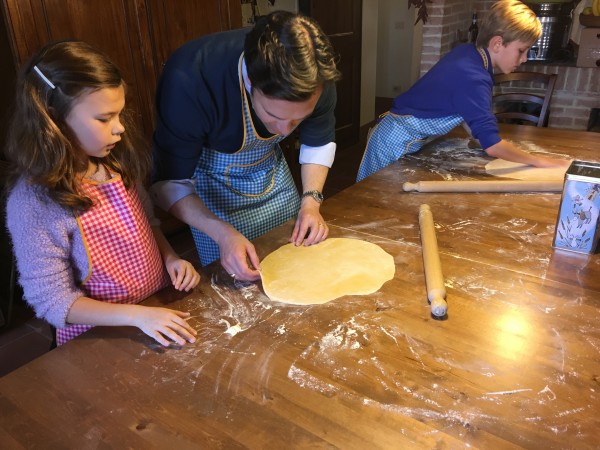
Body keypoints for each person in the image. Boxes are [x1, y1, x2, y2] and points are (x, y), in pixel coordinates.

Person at [4, 40, 201, 347]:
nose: (119, 128)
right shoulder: (35, 202)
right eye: (104, 118)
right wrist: (135, 316)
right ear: (54, 120)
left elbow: (150, 224)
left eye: (120, 114)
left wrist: (171, 258)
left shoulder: (113, 164)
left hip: (152, 309)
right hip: (99, 337)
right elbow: (53, 302)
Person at [151, 11, 342, 282]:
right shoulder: (190, 78)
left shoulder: (316, 74)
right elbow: (169, 184)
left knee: (296, 268)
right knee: (235, 282)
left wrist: (311, 203)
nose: (285, 131)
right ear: (250, 81)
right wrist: (221, 232)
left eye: (298, 119)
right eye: (274, 116)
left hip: (270, 176)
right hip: (212, 192)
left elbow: (318, 142)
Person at [356, 0, 571, 182]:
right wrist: (542, 161)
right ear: (498, 43)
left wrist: (481, 138)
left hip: (397, 135)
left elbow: (470, 116)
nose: (523, 60)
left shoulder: (470, 54)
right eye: (521, 51)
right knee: (370, 199)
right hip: (393, 143)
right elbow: (493, 147)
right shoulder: (474, 78)